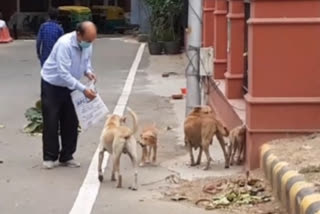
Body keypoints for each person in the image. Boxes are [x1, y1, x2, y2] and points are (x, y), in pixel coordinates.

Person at [41, 21, 98, 169]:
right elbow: (63, 74)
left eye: (92, 40)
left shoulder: (88, 44)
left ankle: (67, 156)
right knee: (52, 120)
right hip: (53, 84)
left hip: (71, 85)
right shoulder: (64, 44)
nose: (90, 43)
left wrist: (89, 72)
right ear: (78, 34)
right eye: (88, 40)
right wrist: (83, 89)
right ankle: (49, 156)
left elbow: (86, 62)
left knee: (71, 121)